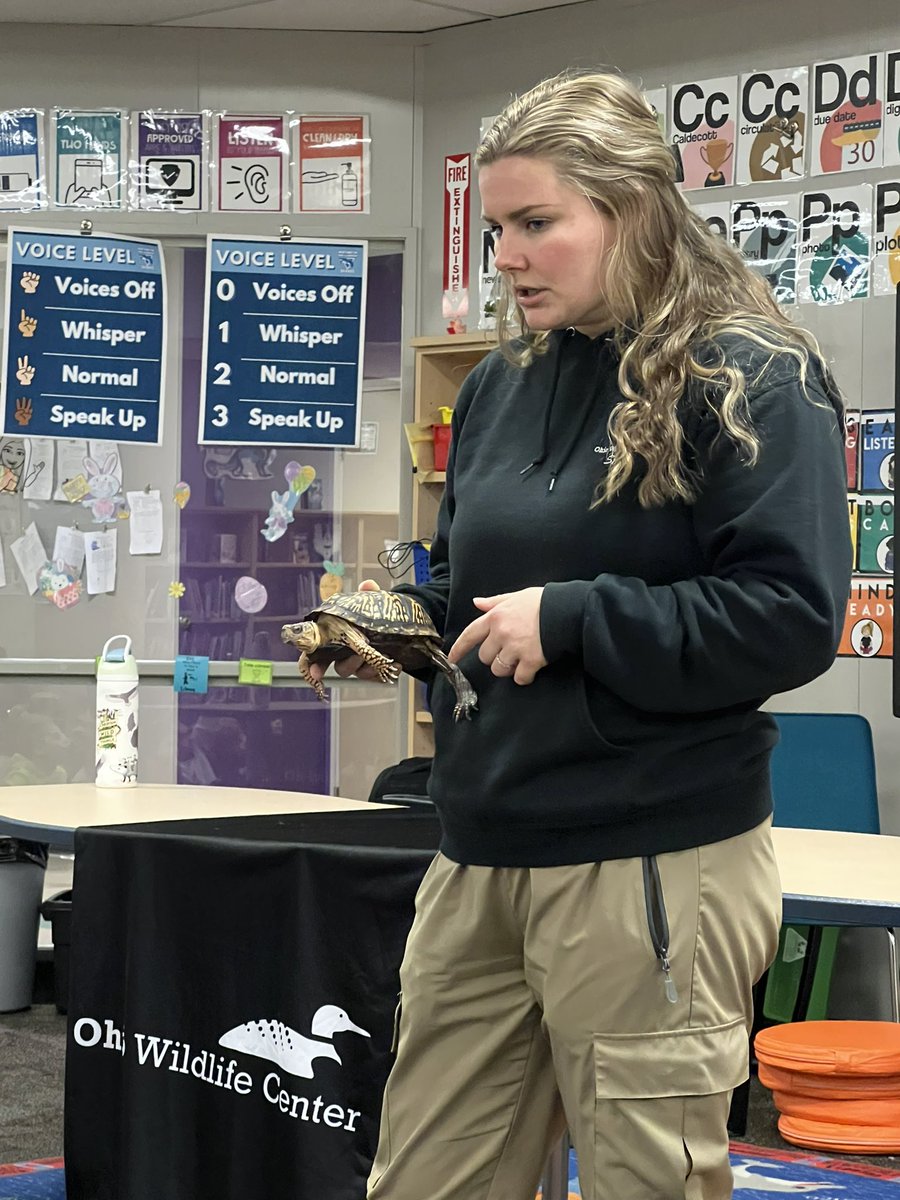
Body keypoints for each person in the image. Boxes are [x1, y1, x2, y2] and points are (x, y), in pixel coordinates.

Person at [312, 69, 853, 1200]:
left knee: (642, 1185)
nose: (504, 256)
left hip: (650, 861)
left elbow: (792, 619)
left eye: (537, 224)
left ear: (635, 210)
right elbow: (474, 594)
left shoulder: (754, 370)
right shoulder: (505, 384)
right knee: (424, 1183)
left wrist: (575, 617)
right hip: (481, 846)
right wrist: (401, 629)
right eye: (499, 227)